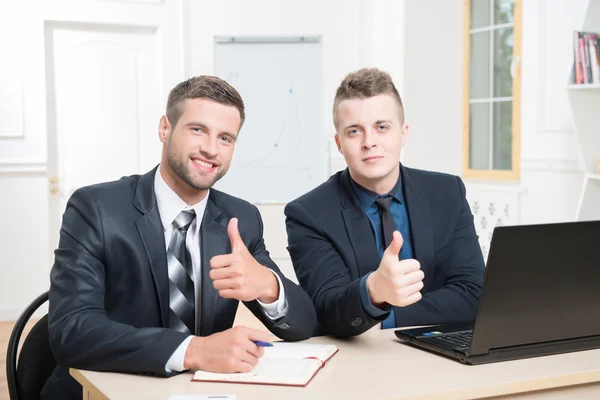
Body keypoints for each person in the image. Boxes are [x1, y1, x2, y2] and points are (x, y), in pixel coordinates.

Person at [42, 76, 317, 399]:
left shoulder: (239, 219)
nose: (211, 149)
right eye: (197, 129)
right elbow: (71, 331)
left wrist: (268, 285)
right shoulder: (96, 209)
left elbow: (304, 325)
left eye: (225, 138)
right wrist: (194, 350)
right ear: (165, 128)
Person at [284, 68, 485, 338]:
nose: (370, 143)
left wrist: (388, 318)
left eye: (382, 127)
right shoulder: (308, 214)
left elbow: (473, 294)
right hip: (359, 364)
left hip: (443, 355)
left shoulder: (447, 192)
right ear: (339, 143)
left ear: (403, 133)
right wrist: (373, 290)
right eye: (354, 131)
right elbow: (327, 310)